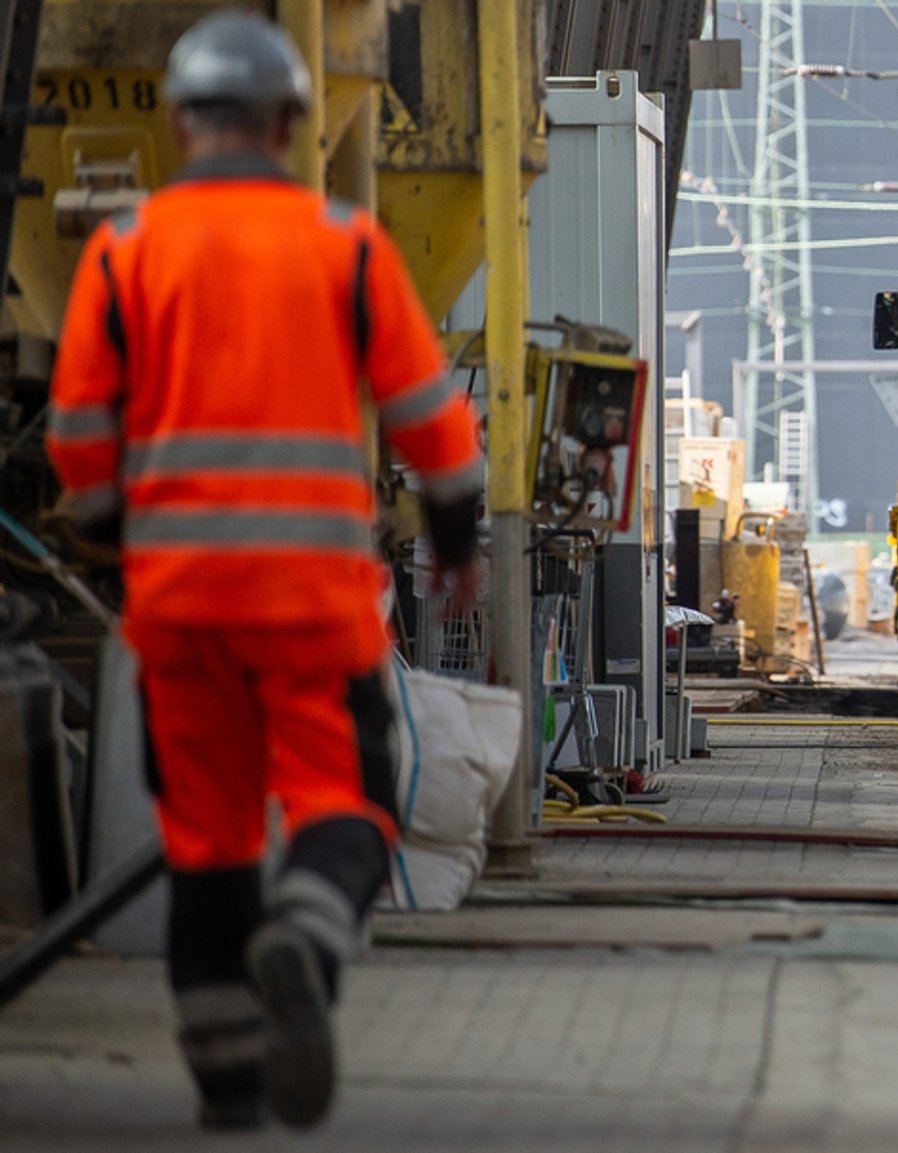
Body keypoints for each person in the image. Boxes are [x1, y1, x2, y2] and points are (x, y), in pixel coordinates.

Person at [44, 10, 484, 1131]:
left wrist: (112, 533)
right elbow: (436, 425)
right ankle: (309, 928)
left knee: (206, 841)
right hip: (310, 605)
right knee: (349, 799)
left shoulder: (122, 253)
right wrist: (455, 546)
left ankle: (230, 1089)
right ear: (291, 122)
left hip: (179, 607)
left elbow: (81, 443)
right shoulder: (345, 249)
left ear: (181, 122)